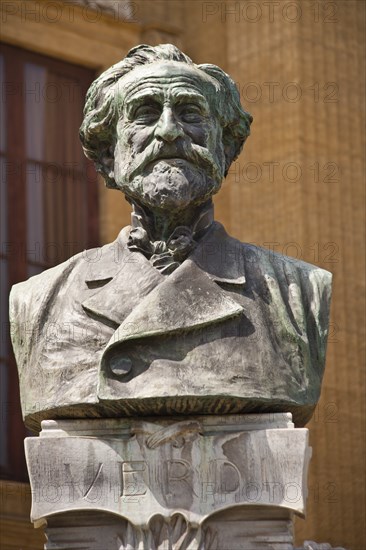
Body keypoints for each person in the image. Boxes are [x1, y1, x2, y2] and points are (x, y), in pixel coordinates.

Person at [10, 44, 332, 431]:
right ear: (108, 155)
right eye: (144, 113)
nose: (169, 130)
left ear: (226, 147)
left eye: (190, 113)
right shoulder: (40, 299)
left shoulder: (298, 293)